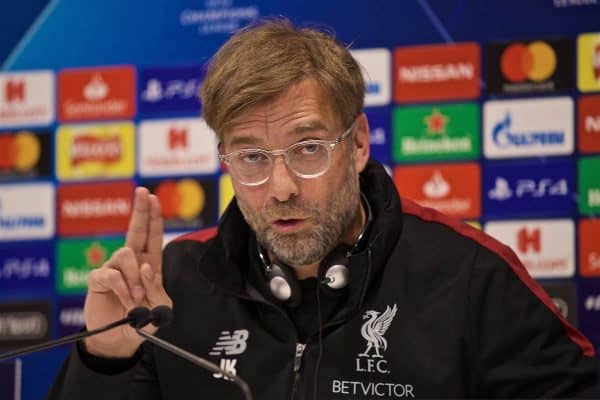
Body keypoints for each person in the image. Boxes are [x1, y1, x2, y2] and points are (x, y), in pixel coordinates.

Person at [48, 19, 599, 399]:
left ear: (358, 143)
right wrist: (104, 360)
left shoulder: (474, 276)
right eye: (253, 157)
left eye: (308, 148)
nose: (281, 187)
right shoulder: (173, 287)